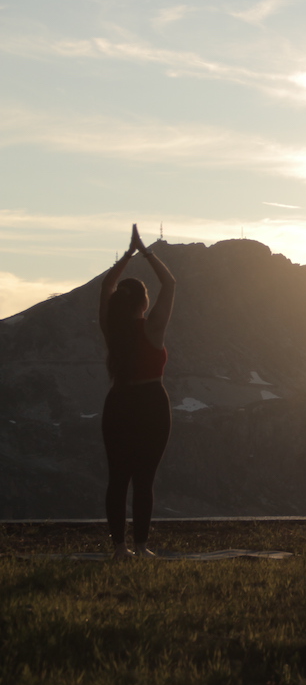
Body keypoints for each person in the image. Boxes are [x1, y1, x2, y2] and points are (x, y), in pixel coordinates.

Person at [98, 224, 176, 559]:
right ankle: (142, 547)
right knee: (144, 479)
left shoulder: (111, 327)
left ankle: (119, 548)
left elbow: (106, 286)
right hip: (151, 404)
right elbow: (170, 284)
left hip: (118, 403)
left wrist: (126, 257)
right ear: (144, 302)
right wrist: (145, 251)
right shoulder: (153, 327)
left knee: (118, 478)